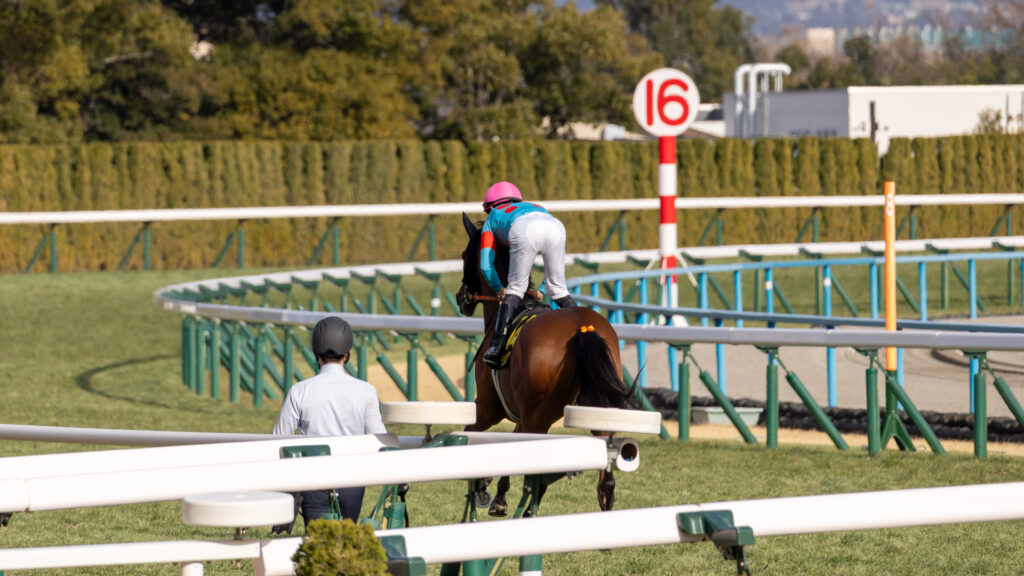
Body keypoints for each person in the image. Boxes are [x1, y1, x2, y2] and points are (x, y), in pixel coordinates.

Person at [272, 316, 387, 530]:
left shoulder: (300, 390)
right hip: (352, 482)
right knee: (346, 540)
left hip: (313, 480)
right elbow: (380, 439)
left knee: (317, 544)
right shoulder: (366, 391)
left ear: (316, 354)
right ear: (348, 354)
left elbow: (279, 438)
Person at [480, 181, 577, 368]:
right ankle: (584, 330)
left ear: (490, 207)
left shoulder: (493, 217)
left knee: (515, 289)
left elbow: (485, 265)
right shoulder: (537, 206)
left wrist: (499, 289)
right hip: (556, 226)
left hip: (522, 229)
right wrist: (542, 288)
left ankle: (497, 346)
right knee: (559, 290)